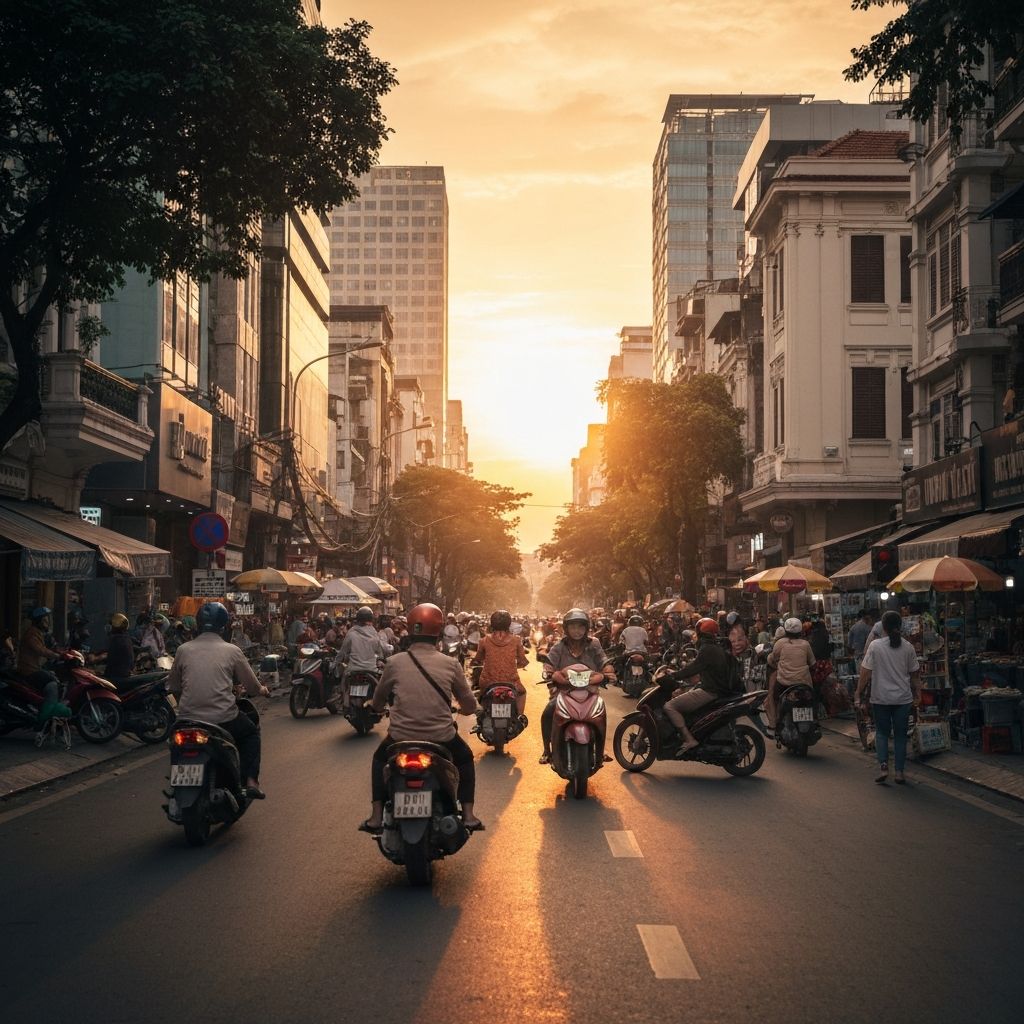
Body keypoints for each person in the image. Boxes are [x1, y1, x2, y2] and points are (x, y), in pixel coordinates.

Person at [360, 602, 482, 833]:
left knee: (378, 761)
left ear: (410, 629)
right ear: (439, 631)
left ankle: (376, 816)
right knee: (465, 759)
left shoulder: (394, 663)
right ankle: (468, 815)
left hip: (400, 738)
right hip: (442, 737)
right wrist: (467, 710)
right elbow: (468, 702)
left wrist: (374, 708)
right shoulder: (451, 663)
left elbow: (378, 698)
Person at [166, 602, 270, 798]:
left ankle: (176, 787)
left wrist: (186, 705)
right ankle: (250, 780)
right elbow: (253, 687)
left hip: (187, 719)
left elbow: (174, 687)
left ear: (197, 623)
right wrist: (263, 690)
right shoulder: (232, 651)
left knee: (175, 746)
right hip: (223, 719)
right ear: (224, 626)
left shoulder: (183, 650)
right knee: (250, 734)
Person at [538, 608, 615, 764]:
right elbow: (549, 664)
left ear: (587, 628)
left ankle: (601, 749)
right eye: (573, 627)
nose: (577, 631)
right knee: (548, 713)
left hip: (589, 692)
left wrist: (608, 672)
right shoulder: (559, 646)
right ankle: (547, 750)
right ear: (566, 629)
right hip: (562, 692)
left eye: (581, 627)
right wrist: (548, 672)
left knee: (601, 715)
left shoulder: (594, 644)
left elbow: (604, 661)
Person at [855, 610, 921, 785]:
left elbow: (865, 673)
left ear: (882, 627)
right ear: (900, 626)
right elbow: (915, 675)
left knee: (882, 734)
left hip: (881, 698)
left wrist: (858, 692)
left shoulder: (875, 646)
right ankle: (899, 772)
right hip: (903, 699)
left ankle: (884, 766)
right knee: (900, 736)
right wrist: (918, 695)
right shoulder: (908, 647)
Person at [661, 617, 735, 753]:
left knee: (669, 706)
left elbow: (693, 668)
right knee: (678, 694)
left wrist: (674, 675)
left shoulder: (707, 649)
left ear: (701, 633)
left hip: (709, 691)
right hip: (713, 688)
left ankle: (689, 739)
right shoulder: (714, 647)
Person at [15, 607, 71, 721]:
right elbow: (41, 650)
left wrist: (63, 653)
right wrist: (57, 656)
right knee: (52, 682)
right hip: (29, 670)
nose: (47, 622)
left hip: (35, 668)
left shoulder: (38, 633)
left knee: (53, 676)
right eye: (45, 620)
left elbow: (49, 648)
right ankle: (46, 715)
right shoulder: (32, 634)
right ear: (39, 621)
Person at [471, 609, 529, 717]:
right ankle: (520, 717)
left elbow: (478, 659)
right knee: (522, 692)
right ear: (509, 624)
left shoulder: (484, 641)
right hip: (511, 682)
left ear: (492, 623)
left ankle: (482, 717)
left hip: (487, 682)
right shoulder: (516, 640)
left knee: (481, 695)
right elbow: (523, 661)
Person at [766, 616, 815, 730]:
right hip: (804, 682)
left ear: (786, 631)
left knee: (773, 697)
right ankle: (815, 718)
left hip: (784, 682)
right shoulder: (805, 644)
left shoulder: (780, 643)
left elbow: (772, 659)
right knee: (813, 697)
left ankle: (775, 723)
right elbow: (812, 663)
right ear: (800, 631)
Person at [334, 606, 387, 707]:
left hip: (353, 669)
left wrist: (335, 664)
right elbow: (380, 650)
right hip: (371, 669)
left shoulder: (351, 632)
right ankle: (381, 705)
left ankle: (344, 703)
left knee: (344, 682)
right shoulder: (374, 633)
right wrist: (381, 658)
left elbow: (342, 652)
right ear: (371, 620)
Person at [102, 613, 137, 685]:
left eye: (111, 625)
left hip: (116, 677)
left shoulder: (116, 640)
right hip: (125, 673)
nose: (109, 627)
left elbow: (111, 660)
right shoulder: (125, 638)